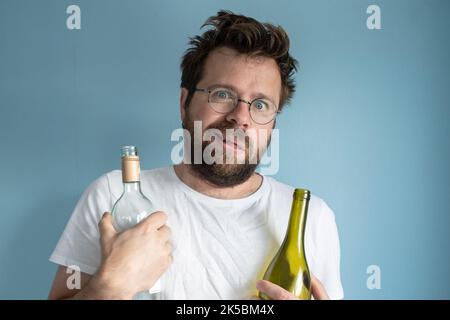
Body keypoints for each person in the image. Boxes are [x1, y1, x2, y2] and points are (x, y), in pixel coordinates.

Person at [48, 10, 343, 300]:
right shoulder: (113, 197)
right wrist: (111, 287)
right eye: (223, 94)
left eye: (261, 105)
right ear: (184, 102)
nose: (241, 117)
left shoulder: (314, 219)